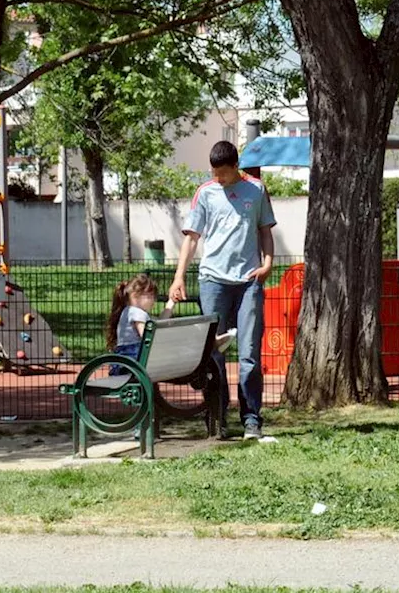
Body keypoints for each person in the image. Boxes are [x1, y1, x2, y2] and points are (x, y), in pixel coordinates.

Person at [169, 140, 276, 440]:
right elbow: (191, 239)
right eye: (215, 173)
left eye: (224, 174)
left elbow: (265, 231)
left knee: (249, 354)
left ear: (236, 167)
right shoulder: (205, 193)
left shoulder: (256, 190)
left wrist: (267, 264)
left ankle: (251, 419)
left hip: (248, 282)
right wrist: (179, 277)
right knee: (213, 356)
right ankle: (218, 418)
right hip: (213, 281)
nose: (219, 179)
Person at [106, 274, 169, 375]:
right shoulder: (136, 313)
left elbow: (160, 322)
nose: (153, 300)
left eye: (153, 296)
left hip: (128, 357)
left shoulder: (134, 312)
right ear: (135, 297)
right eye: (149, 296)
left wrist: (171, 303)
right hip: (132, 357)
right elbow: (146, 336)